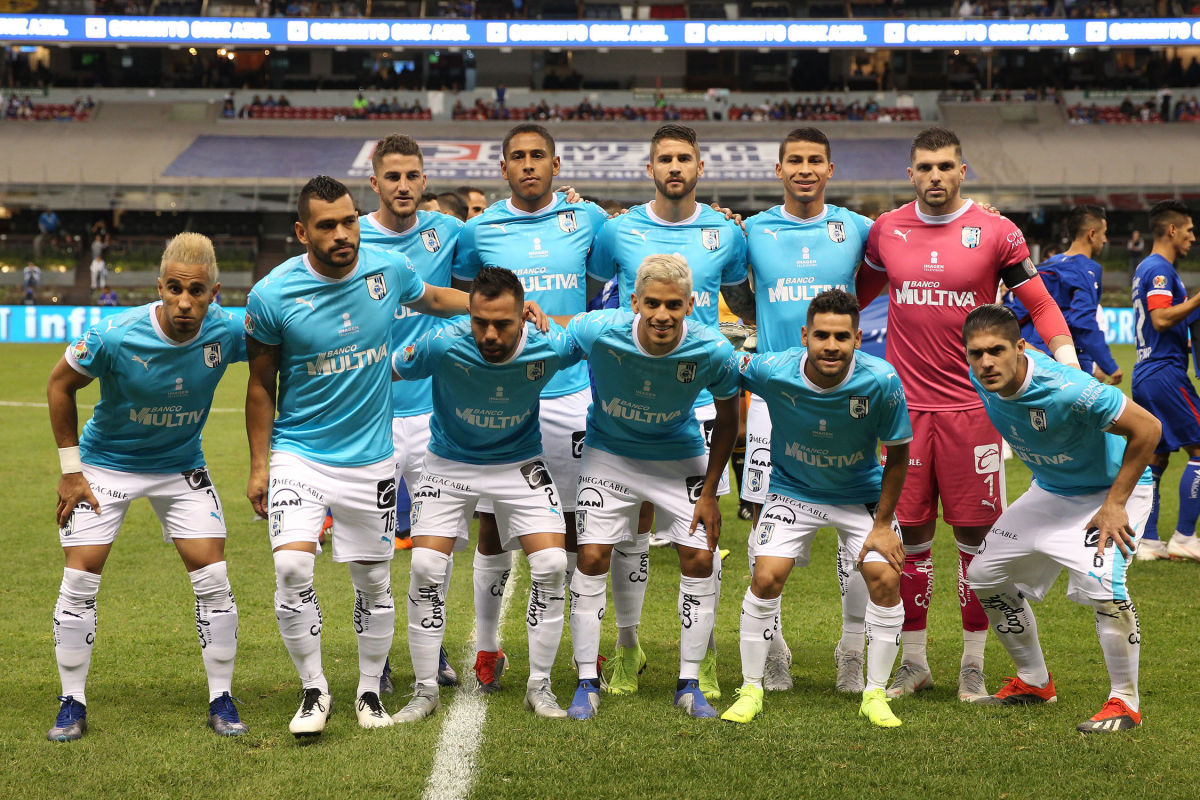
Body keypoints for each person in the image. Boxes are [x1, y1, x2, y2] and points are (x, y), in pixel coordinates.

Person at [244, 175, 481, 737]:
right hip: (299, 454)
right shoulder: (272, 294)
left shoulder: (386, 271)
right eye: (327, 225)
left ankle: (369, 691)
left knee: (373, 582)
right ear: (303, 232)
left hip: (371, 459)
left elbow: (434, 298)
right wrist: (259, 464)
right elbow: (259, 386)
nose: (342, 233)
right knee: (291, 566)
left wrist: (499, 307)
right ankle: (314, 689)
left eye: (349, 221)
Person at [855, 126, 1076, 702]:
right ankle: (916, 661)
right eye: (924, 167)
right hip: (904, 413)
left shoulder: (997, 232)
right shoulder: (886, 230)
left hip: (974, 411)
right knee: (912, 538)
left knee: (979, 541)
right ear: (910, 173)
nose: (935, 176)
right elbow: (852, 292)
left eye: (945, 166)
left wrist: (1069, 363)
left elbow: (1040, 302)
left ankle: (973, 666)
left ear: (962, 170)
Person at [45, 233, 248, 741]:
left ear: (214, 292)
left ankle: (221, 697)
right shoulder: (114, 334)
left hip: (180, 466)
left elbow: (288, 344)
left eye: (197, 291)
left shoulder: (228, 331)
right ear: (159, 286)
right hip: (104, 466)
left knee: (213, 575)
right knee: (81, 577)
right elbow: (58, 384)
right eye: (174, 288)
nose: (184, 301)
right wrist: (72, 471)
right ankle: (72, 700)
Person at [586, 123, 754, 701]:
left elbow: (742, 301)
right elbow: (596, 301)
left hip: (705, 398)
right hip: (639, 394)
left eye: (685, 158)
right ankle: (628, 650)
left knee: (701, 539)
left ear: (700, 167)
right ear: (650, 167)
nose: (675, 167)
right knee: (628, 532)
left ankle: (700, 663)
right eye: (665, 159)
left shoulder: (727, 234)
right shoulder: (617, 229)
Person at [452, 123, 609, 694]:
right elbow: (459, 293)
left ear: (556, 164)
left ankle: (565, 645)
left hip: (568, 393)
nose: (527, 165)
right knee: (491, 528)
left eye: (537, 155)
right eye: (516, 157)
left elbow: (620, 269)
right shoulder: (480, 228)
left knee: (569, 527)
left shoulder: (587, 220)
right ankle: (488, 647)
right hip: (501, 397)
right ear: (502, 168)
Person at [391, 266, 578, 721]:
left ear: (524, 315)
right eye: (480, 322)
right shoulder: (442, 342)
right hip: (450, 463)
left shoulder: (548, 343)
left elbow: (608, 336)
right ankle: (423, 690)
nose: (489, 334)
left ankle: (541, 686)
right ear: (470, 313)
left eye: (502, 323)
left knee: (553, 564)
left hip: (519, 463)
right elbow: (383, 374)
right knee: (425, 565)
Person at [962, 304, 1159, 733]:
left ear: (1020, 347)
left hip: (1110, 493)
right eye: (976, 354)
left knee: (1104, 586)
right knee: (983, 574)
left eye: (996, 351)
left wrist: (1115, 503)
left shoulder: (1068, 388)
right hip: (1050, 490)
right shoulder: (982, 380)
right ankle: (1034, 682)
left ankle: (1125, 702)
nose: (986, 362)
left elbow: (1148, 430)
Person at [721, 289, 910, 728]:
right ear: (804, 335)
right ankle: (751, 686)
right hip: (793, 491)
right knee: (765, 577)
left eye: (841, 337)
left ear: (857, 338)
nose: (831, 345)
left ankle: (874, 692)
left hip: (859, 493)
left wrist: (883, 525)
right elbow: (722, 366)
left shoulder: (881, 380)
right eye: (821, 335)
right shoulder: (773, 369)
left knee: (884, 576)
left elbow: (898, 455)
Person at [564, 254, 740, 720]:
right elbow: (556, 341)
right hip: (610, 453)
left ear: (691, 304)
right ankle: (586, 681)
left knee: (700, 555)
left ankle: (690, 682)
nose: (663, 315)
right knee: (592, 555)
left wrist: (708, 491)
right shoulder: (600, 330)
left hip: (677, 455)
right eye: (654, 304)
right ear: (636, 301)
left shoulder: (712, 349)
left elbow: (727, 420)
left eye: (674, 305)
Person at [740, 127, 875, 694]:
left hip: (844, 402)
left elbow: (882, 274)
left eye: (814, 160)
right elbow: (735, 289)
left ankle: (851, 647)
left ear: (830, 168)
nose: (804, 169)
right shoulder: (749, 230)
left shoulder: (859, 228)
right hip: (775, 401)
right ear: (779, 170)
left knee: (858, 536)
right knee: (762, 530)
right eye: (793, 160)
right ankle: (773, 650)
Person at [360, 133, 465, 689]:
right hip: (369, 415)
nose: (403, 185)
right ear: (374, 182)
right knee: (373, 546)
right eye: (392, 176)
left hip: (434, 415)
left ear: (425, 182)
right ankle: (376, 657)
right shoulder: (350, 236)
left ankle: (435, 643)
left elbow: (503, 243)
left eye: (413, 176)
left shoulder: (450, 232)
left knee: (433, 545)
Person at [1129, 200, 1200, 561]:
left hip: (1146, 373)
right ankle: (1185, 537)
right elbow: (1160, 318)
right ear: (1172, 230)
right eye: (1188, 230)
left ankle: (1149, 541)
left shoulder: (1146, 267)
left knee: (1156, 457)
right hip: (1164, 371)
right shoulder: (1160, 270)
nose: (1192, 237)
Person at [1006, 205, 1121, 384]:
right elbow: (1082, 321)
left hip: (1032, 360)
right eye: (1104, 233)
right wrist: (1110, 366)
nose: (1105, 240)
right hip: (1068, 361)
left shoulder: (1046, 266)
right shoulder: (1087, 269)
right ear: (1092, 234)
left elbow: (1018, 313)